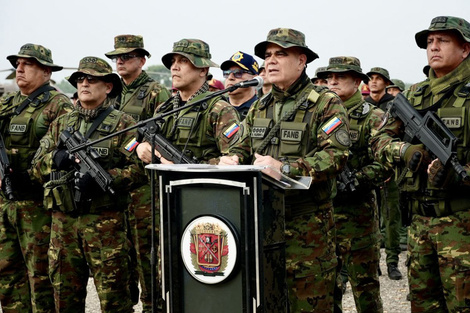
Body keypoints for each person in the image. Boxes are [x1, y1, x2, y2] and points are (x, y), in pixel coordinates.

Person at [221, 28, 351, 312]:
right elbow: (241, 147)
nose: (271, 61)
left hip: (307, 227)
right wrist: (231, 159)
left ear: (302, 60)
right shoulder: (261, 106)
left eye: (281, 54)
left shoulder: (325, 102)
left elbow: (337, 155)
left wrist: (287, 168)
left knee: (310, 303)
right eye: (268, 55)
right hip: (261, 224)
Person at [30, 56, 147, 312]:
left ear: (107, 87)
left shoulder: (124, 124)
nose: (84, 83)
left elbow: (140, 170)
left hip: (105, 226)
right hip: (64, 227)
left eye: (91, 79)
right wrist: (56, 159)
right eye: (80, 79)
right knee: (65, 302)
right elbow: (36, 167)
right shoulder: (62, 123)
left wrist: (107, 179)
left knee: (115, 303)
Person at [370, 16, 470, 312]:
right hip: (419, 225)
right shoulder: (413, 94)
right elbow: (378, 142)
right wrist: (405, 150)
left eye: (443, 41)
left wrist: (457, 176)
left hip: (462, 225)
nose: (433, 47)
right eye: (429, 42)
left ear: (465, 49)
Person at [0, 43, 72, 313]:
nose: (19, 69)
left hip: (38, 204)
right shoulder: (8, 103)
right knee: (7, 273)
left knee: (40, 276)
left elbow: (63, 155)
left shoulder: (59, 105)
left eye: (27, 64)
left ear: (46, 71)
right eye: (17, 63)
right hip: (6, 202)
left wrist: (29, 177)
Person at [105, 34, 171, 311]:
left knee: (146, 252)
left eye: (127, 56)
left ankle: (152, 305)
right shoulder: (111, 90)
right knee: (119, 255)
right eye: (116, 57)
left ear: (142, 60)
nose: (120, 61)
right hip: (114, 182)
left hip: (144, 185)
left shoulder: (156, 92)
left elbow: (165, 139)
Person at [324, 56, 387, 312]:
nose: (333, 81)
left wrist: (357, 179)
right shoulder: (320, 115)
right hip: (325, 218)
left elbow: (385, 164)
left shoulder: (374, 117)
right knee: (328, 291)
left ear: (358, 81)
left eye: (341, 76)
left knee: (366, 291)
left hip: (358, 217)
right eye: (330, 77)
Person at [365, 66, 403, 281]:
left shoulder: (395, 104)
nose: (374, 82)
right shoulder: (364, 106)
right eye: (371, 78)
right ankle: (373, 261)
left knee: (391, 219)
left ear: (386, 82)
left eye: (378, 79)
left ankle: (392, 262)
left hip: (389, 170)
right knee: (369, 218)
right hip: (367, 170)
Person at [221, 51, 259, 120]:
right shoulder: (217, 108)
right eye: (226, 73)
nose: (230, 77)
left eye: (237, 73)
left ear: (254, 78)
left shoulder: (261, 108)